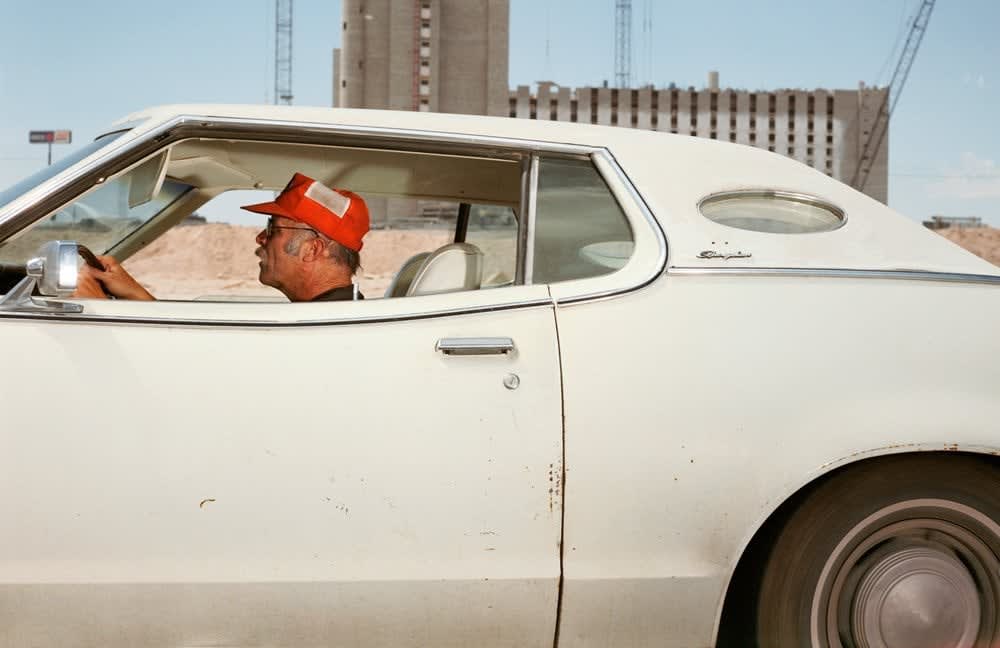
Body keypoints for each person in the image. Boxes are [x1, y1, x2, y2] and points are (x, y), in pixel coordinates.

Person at [74, 173, 370, 302]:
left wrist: (97, 307)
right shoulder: (329, 315)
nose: (259, 239)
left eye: (272, 230)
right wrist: (133, 293)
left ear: (312, 249)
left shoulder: (324, 326)